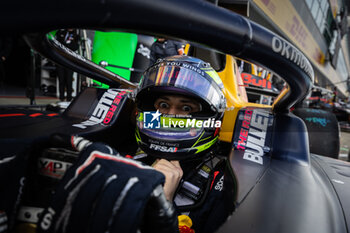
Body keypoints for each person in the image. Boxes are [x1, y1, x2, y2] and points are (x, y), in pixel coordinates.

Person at [134, 55, 234, 233]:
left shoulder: (220, 183)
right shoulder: (130, 153)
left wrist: (163, 207)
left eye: (186, 108)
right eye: (163, 104)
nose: (170, 116)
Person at [55, 29, 80, 101]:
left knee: (69, 80)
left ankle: (69, 98)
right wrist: (67, 45)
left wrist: (65, 45)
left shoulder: (76, 36)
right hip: (60, 60)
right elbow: (57, 44)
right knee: (61, 80)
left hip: (70, 61)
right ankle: (61, 98)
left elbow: (75, 47)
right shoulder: (60, 32)